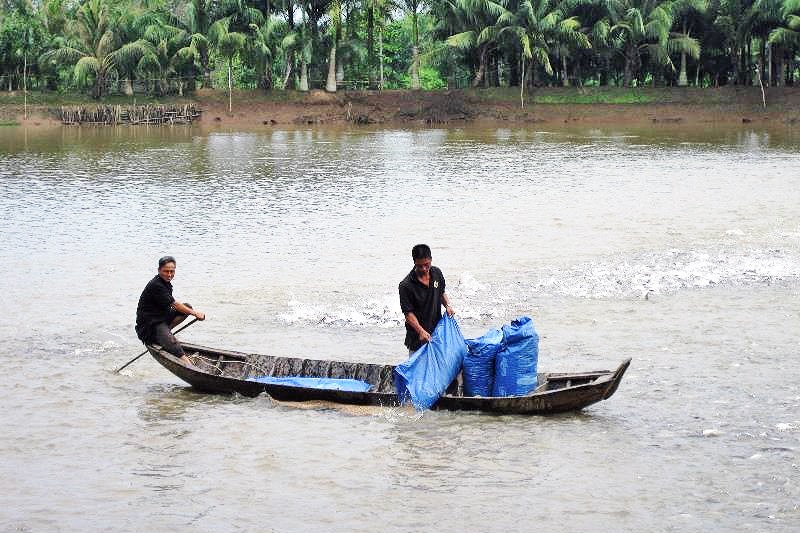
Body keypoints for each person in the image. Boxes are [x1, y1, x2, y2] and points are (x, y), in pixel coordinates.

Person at [135, 256, 205, 366]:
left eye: (172, 271)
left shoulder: (165, 283)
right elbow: (174, 304)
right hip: (150, 324)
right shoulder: (156, 285)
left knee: (187, 307)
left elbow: (174, 305)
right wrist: (195, 314)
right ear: (159, 270)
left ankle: (165, 332)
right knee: (173, 344)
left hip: (161, 317)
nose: (169, 275)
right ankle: (189, 364)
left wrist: (191, 311)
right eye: (166, 271)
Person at [398, 244, 455, 354]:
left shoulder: (436, 273)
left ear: (431, 260)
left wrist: (447, 305)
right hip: (417, 339)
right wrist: (420, 331)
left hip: (436, 333)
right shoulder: (406, 286)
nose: (424, 269)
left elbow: (441, 292)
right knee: (418, 370)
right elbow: (408, 314)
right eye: (420, 266)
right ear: (414, 262)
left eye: (426, 265)